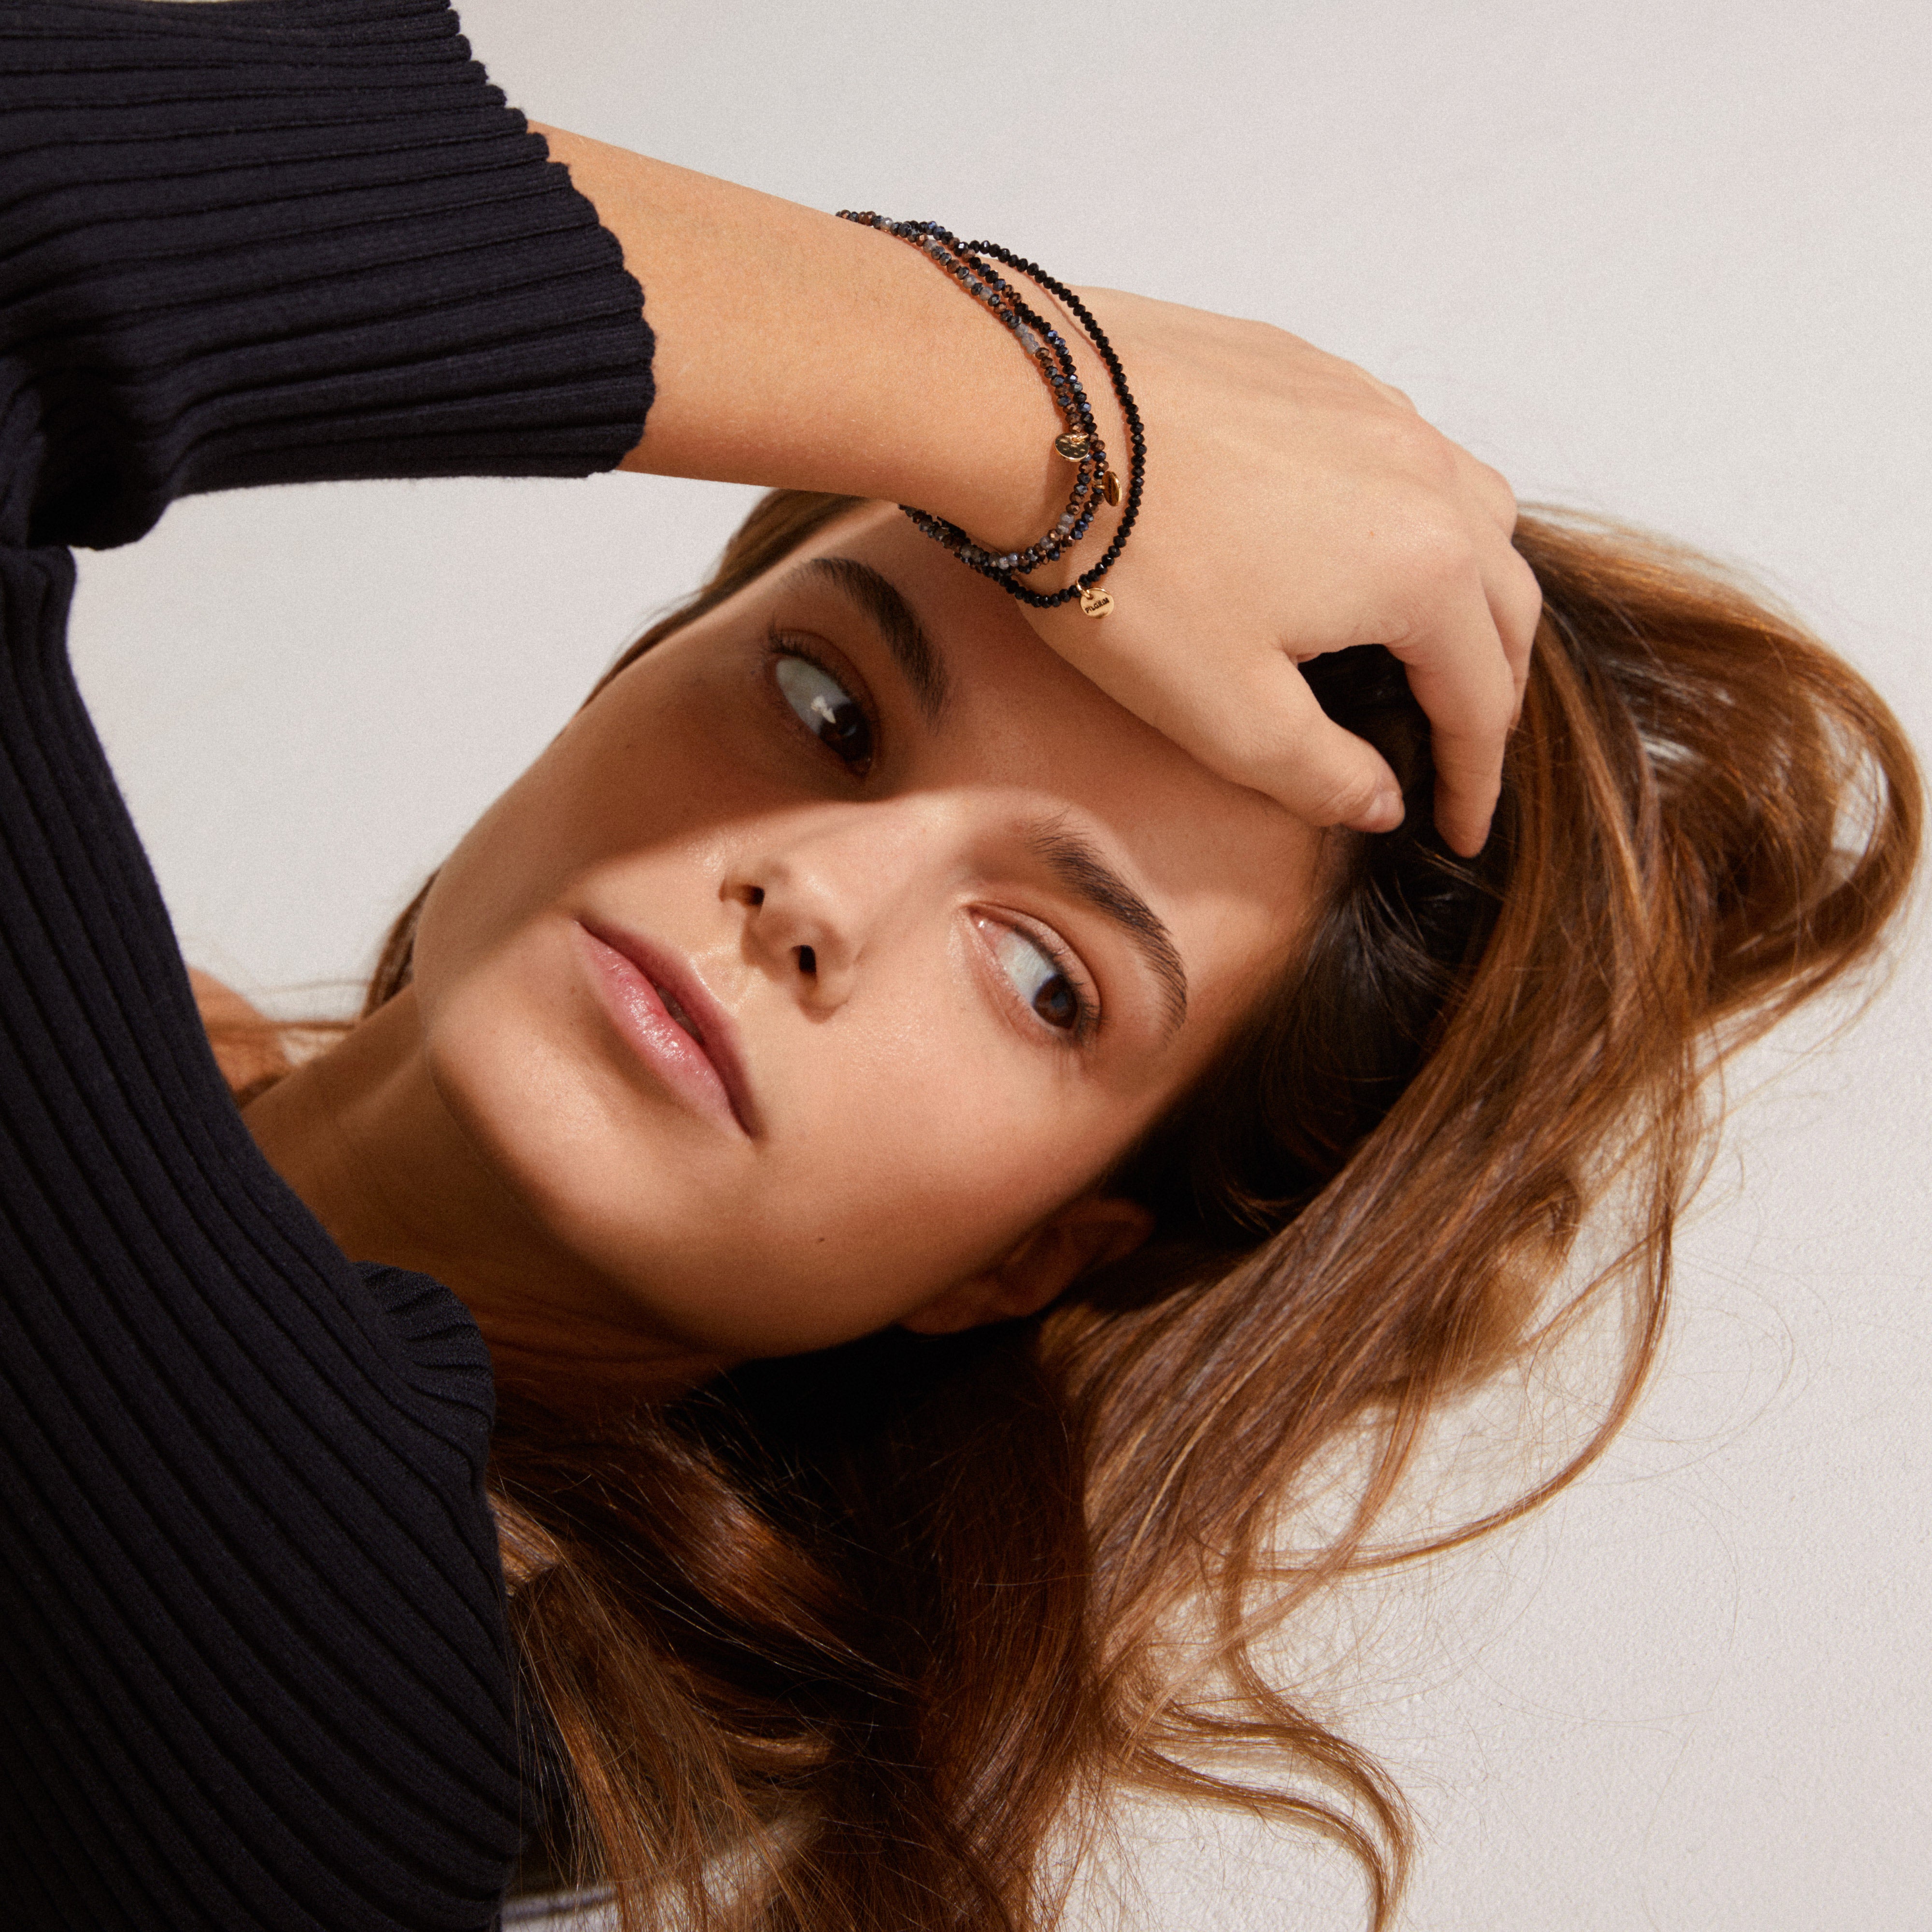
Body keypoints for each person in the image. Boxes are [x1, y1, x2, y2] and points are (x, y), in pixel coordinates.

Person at [0, 5, 1917, 1931]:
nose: (817, 894)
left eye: (1047, 975)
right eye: (830, 700)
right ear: (644, 663)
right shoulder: (159, 1056)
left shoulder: (330, 1681)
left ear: (1037, 1248)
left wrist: (1030, 401)